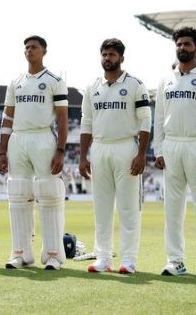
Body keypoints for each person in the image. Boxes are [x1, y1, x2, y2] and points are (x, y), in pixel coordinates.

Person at [153, 27, 196, 278]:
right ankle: (175, 261)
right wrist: (158, 150)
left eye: (187, 44)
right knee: (172, 208)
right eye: (179, 44)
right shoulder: (166, 79)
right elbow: (159, 116)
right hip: (171, 145)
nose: (182, 48)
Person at [78, 38, 151, 274]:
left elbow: (145, 120)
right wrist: (83, 156)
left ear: (121, 58)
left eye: (112, 54)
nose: (107, 58)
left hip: (126, 147)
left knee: (128, 208)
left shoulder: (135, 85)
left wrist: (142, 154)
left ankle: (129, 259)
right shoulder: (92, 87)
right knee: (102, 208)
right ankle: (103, 258)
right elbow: (86, 123)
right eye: (104, 54)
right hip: (99, 148)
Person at [0, 36, 69, 270]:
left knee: (49, 193)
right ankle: (21, 253)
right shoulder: (16, 82)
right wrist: (2, 151)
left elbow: (62, 118)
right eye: (26, 47)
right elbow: (8, 116)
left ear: (44, 51)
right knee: (18, 194)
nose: (29, 50)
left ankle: (53, 254)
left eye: (34, 47)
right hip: (18, 139)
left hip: (43, 137)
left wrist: (61, 150)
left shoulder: (54, 81)